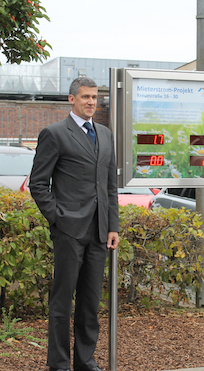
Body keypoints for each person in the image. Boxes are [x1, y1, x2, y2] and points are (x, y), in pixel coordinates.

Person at [30, 77, 120, 371]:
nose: (91, 102)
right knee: (62, 303)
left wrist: (112, 226)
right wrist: (58, 219)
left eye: (94, 97)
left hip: (98, 232)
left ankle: (85, 360)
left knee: (90, 302)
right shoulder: (55, 134)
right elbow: (39, 184)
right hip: (68, 231)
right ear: (71, 99)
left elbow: (109, 187)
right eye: (85, 97)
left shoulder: (105, 135)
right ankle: (59, 364)